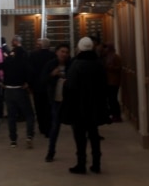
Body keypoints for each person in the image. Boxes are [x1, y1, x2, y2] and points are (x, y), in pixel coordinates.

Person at [60, 37, 109, 174]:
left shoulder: (76, 64)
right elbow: (104, 85)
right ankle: (96, 164)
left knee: (80, 137)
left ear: (79, 48)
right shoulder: (98, 63)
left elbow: (71, 86)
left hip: (78, 107)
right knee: (94, 135)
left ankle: (81, 164)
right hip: (95, 106)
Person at [0, 45, 35, 149]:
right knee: (29, 115)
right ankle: (29, 136)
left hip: (8, 91)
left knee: (11, 116)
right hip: (20, 90)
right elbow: (32, 73)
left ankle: (13, 140)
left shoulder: (8, 62)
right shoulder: (24, 63)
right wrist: (28, 83)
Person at [41, 42, 71, 162]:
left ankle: (81, 153)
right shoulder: (50, 65)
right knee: (55, 127)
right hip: (56, 100)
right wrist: (52, 75)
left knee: (76, 127)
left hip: (69, 100)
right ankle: (50, 152)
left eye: (66, 52)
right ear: (57, 52)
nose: (64, 54)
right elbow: (42, 81)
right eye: (62, 51)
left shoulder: (72, 64)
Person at [28, 38, 55, 137]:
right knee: (48, 107)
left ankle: (42, 127)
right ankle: (49, 128)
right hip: (49, 85)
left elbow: (30, 72)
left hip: (37, 86)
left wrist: (30, 85)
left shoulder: (33, 55)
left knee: (39, 108)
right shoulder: (52, 55)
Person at [103, 43, 122, 122]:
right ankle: (113, 114)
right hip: (108, 81)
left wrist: (110, 67)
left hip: (114, 82)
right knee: (110, 99)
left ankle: (117, 116)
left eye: (106, 48)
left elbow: (119, 67)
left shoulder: (115, 56)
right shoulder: (107, 56)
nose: (105, 49)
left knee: (113, 99)